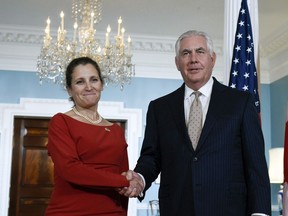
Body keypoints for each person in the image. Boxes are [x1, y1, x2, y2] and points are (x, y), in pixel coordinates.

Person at [121, 30, 271, 216]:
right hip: (176, 209)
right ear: (177, 62)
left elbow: (255, 164)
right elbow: (151, 157)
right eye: (186, 53)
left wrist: (260, 212)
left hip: (230, 210)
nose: (193, 59)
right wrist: (140, 179)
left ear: (212, 58)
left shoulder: (240, 102)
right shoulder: (159, 108)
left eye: (200, 51)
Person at [45, 56, 143, 216]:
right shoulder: (61, 121)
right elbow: (70, 170)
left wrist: (129, 184)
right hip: (69, 212)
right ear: (69, 89)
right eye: (80, 82)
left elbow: (124, 177)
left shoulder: (116, 130)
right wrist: (124, 181)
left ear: (102, 84)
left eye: (94, 80)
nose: (88, 87)